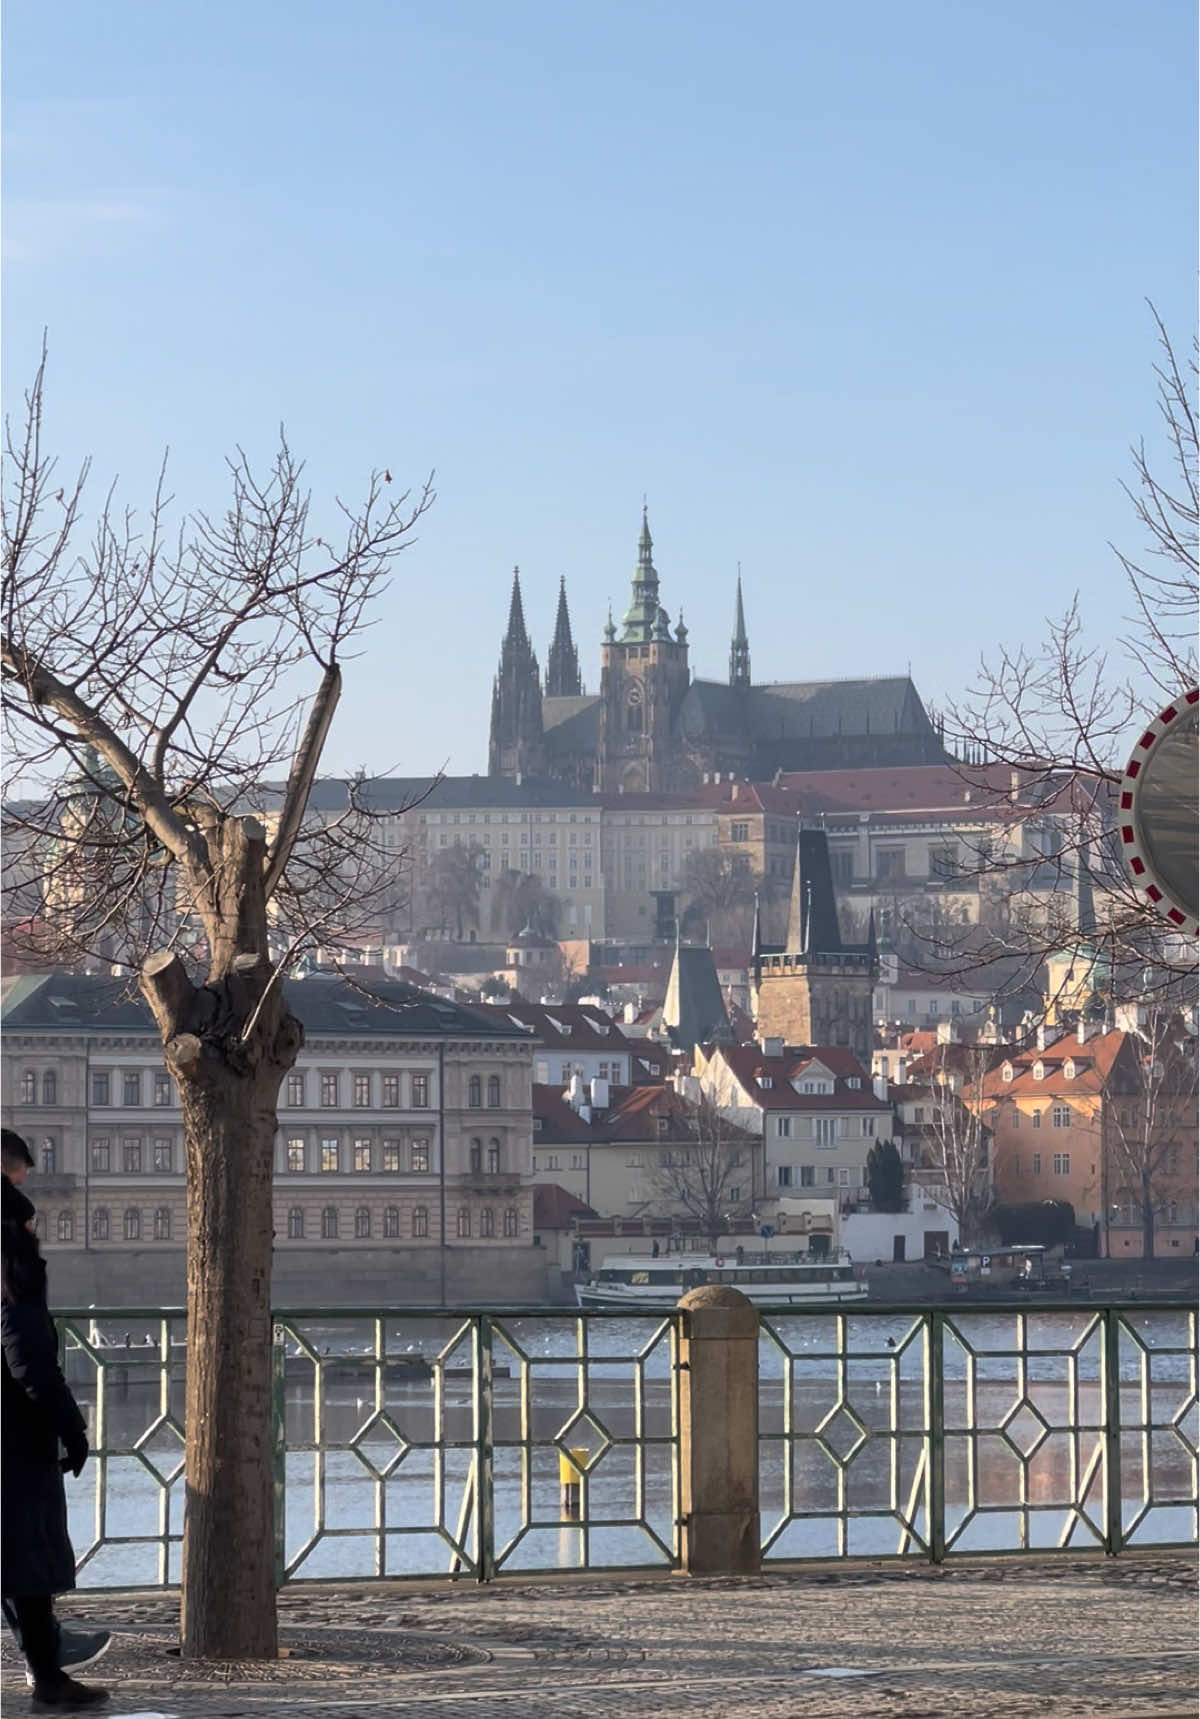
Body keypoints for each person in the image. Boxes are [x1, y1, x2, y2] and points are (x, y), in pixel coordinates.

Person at [2, 1129, 110, 1710]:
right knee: (27, 1559)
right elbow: (30, 1361)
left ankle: (49, 1675)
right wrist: (72, 1428)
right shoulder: (11, 1275)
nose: (35, 1232)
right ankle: (50, 1681)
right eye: (28, 1225)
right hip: (12, 1441)